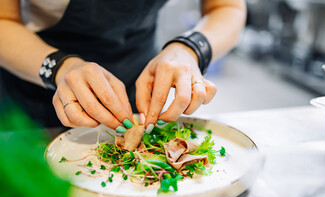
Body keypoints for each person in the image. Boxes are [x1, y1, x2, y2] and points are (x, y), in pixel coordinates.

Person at [0, 0, 246, 133]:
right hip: (35, 84)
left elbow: (227, 7)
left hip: (137, 77)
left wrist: (189, 48)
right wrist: (60, 69)